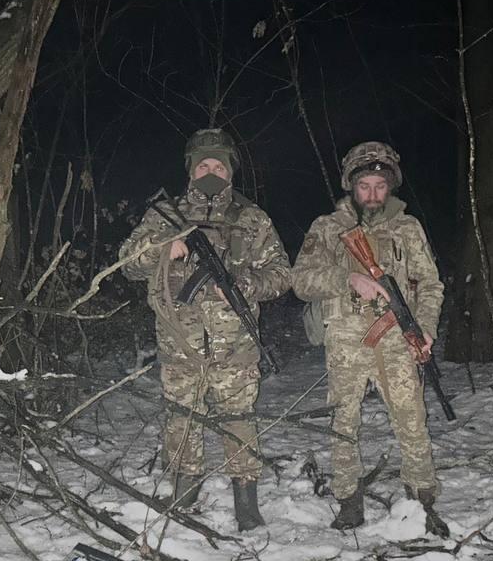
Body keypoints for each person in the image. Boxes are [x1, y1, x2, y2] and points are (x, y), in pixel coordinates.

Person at [119, 128, 290, 531]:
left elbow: (283, 275)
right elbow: (128, 264)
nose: (210, 171)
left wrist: (245, 285)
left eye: (218, 165)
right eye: (203, 165)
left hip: (236, 345)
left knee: (238, 417)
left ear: (230, 171)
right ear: (191, 171)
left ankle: (245, 496)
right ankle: (185, 485)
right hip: (180, 342)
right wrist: (162, 248)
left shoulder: (252, 219)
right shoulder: (163, 215)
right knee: (181, 415)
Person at [290, 141, 448, 536]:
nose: (373, 194)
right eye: (365, 186)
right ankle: (348, 501)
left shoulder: (408, 228)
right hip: (346, 341)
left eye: (380, 185)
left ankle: (422, 500)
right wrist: (348, 280)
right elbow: (300, 280)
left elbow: (430, 285)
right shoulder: (328, 228)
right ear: (352, 187)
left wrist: (425, 327)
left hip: (397, 339)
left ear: (390, 186)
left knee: (412, 420)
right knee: (343, 423)